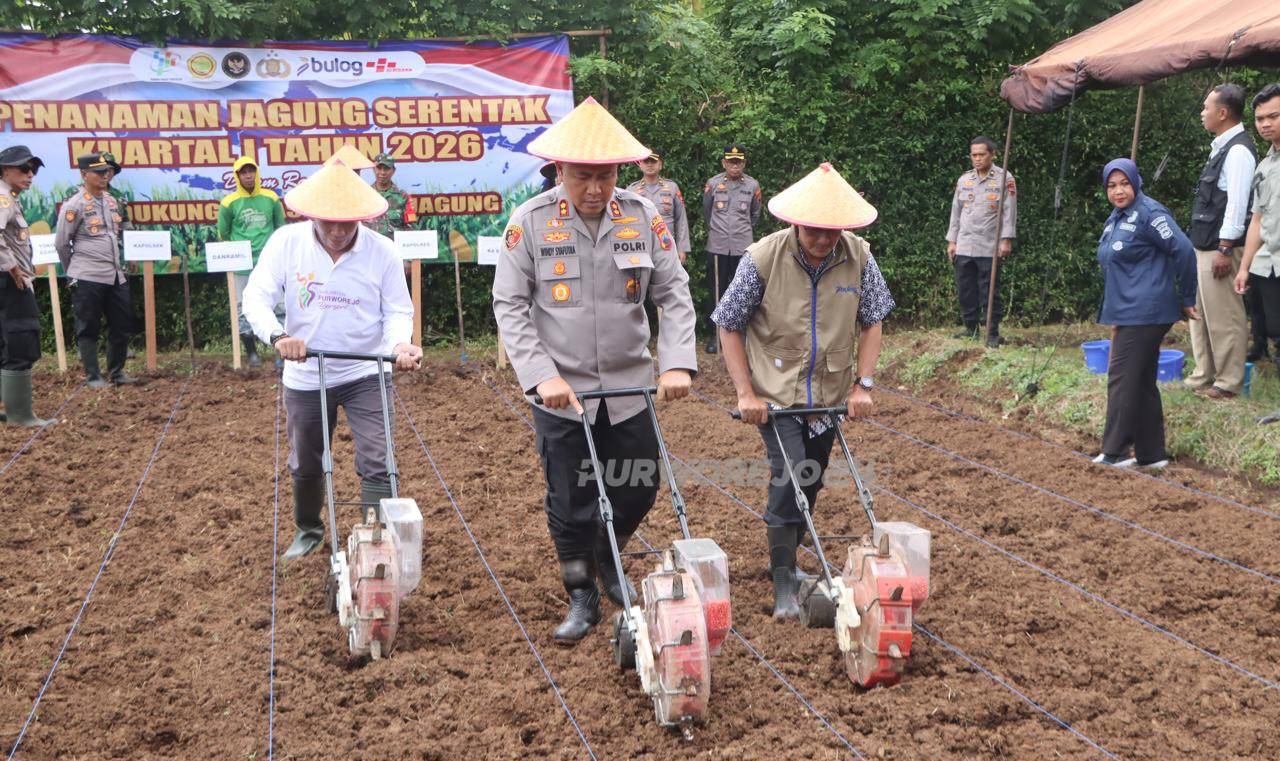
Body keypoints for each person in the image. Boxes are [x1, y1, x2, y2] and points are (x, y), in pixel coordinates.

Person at [492, 96, 697, 643]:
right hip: (563, 392)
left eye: (605, 177)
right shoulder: (529, 223)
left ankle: (609, 555)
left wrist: (676, 362)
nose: (595, 189)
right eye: (584, 177)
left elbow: (674, 293)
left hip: (631, 385)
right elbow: (509, 304)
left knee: (639, 484)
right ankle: (581, 593)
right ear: (560, 172)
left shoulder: (643, 216)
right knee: (571, 497)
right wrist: (541, 376)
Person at [713, 162, 893, 619]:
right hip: (777, 395)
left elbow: (873, 320)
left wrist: (863, 383)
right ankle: (783, 582)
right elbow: (728, 325)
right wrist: (744, 394)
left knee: (810, 480)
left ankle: (788, 564)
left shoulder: (859, 256)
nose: (824, 241)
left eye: (833, 232)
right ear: (796, 223)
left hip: (829, 394)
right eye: (815, 232)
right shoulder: (762, 257)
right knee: (790, 477)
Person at [242, 161, 422, 561]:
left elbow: (397, 310)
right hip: (306, 373)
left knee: (379, 457)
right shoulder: (286, 243)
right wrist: (279, 336)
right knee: (306, 460)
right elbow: (255, 296)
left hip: (366, 370)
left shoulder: (383, 251)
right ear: (311, 215)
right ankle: (308, 529)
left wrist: (399, 345)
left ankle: (376, 543)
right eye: (329, 223)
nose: (339, 232)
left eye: (348, 223)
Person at [1094, 158, 1197, 469]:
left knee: (1122, 378)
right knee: (1139, 381)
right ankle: (1152, 455)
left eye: (1124, 183)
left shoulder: (1150, 214)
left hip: (1147, 309)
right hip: (1128, 310)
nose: (1118, 190)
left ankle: (1114, 451)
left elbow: (1184, 249)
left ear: (1136, 182)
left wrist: (1188, 296)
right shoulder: (1117, 217)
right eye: (1112, 186)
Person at [1185, 84, 1256, 399]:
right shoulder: (1221, 146)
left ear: (1223, 113)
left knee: (1225, 316)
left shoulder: (1239, 151)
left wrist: (1226, 249)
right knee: (1201, 315)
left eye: (1206, 107)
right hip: (1204, 246)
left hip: (1221, 248)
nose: (1203, 113)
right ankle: (1205, 374)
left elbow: (1238, 204)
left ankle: (1227, 383)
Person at [55, 152, 138, 388]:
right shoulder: (74, 205)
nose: (105, 176)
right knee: (88, 327)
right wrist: (73, 273)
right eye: (99, 172)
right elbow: (62, 243)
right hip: (87, 275)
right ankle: (93, 376)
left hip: (114, 274)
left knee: (122, 324)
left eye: (107, 172)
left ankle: (117, 372)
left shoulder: (112, 201)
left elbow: (117, 233)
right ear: (84, 175)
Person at [945, 136, 1017, 347]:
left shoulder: (1005, 178)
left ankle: (992, 332)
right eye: (973, 155)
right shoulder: (964, 180)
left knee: (990, 291)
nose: (977, 159)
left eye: (981, 154)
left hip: (989, 246)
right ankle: (971, 329)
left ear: (992, 154)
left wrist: (1006, 239)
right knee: (966, 289)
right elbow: (955, 212)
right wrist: (952, 241)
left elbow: (1009, 211)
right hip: (965, 244)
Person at [0, 145, 53, 427]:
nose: (30, 174)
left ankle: (7, 408)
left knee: (6, 343)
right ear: (5, 170)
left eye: (32, 169)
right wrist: (12, 267)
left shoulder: (10, 198)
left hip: (6, 280)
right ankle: (21, 415)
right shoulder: (4, 199)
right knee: (22, 339)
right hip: (10, 281)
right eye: (23, 169)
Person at [217, 155, 286, 368]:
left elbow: (280, 228)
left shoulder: (271, 198)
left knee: (280, 305)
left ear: (257, 173)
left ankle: (281, 351)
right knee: (242, 306)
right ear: (237, 176)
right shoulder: (228, 203)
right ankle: (251, 352)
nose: (248, 176)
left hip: (269, 263)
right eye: (243, 172)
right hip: (242, 264)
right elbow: (224, 233)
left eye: (251, 171)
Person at [1235, 84, 1280, 383]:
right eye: (1260, 118)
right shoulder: (1264, 166)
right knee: (1275, 328)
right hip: (1269, 263)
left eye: (1273, 116)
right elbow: (1257, 220)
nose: (1265, 123)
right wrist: (1244, 266)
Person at [702, 144, 761, 353]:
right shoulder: (714, 184)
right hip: (717, 246)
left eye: (739, 162)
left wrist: (740, 232)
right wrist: (718, 231)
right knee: (716, 292)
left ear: (744, 163)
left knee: (743, 291)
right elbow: (707, 212)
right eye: (731, 162)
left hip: (742, 247)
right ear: (724, 163)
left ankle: (741, 335)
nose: (735, 166)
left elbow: (755, 215)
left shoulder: (752, 185)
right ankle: (715, 336)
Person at [626, 151, 692, 263]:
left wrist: (682, 248)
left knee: (667, 280)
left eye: (653, 161)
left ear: (660, 165)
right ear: (640, 165)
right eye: (646, 161)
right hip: (641, 247)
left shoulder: (672, 188)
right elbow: (626, 222)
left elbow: (681, 219)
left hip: (667, 247)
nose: (650, 165)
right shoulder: (631, 190)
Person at [363, 152, 419, 238]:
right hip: (371, 246)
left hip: (394, 247)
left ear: (393, 170)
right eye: (379, 168)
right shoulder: (365, 195)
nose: (382, 172)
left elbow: (412, 227)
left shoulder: (403, 197)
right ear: (374, 169)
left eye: (386, 169)